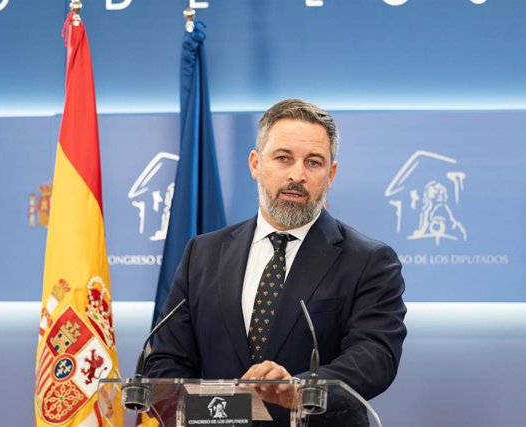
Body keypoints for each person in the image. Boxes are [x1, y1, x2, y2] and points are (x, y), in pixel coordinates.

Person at [145, 99, 407, 425]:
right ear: (256, 164)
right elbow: (168, 359)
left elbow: (374, 357)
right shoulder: (204, 253)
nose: (297, 174)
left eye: (313, 162)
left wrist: (299, 389)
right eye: (283, 158)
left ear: (331, 174)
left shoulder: (369, 261)